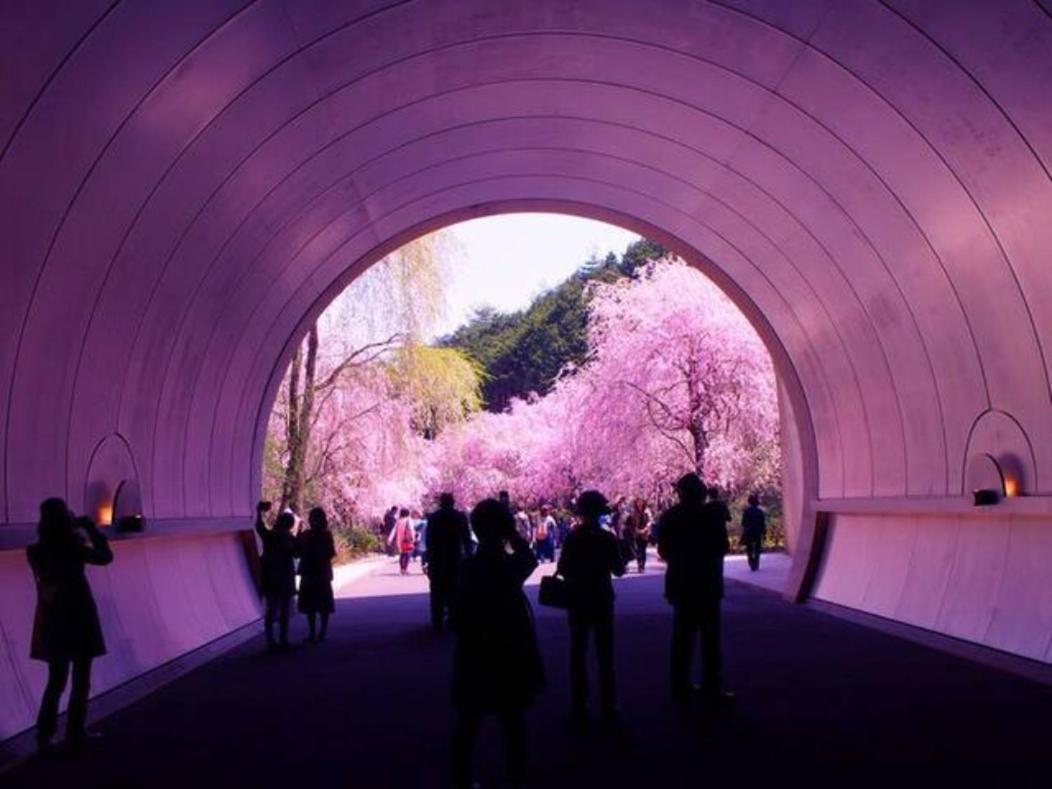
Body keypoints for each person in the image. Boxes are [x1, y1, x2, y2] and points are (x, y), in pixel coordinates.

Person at [451, 498, 544, 789]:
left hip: (476, 648)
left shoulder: (468, 568)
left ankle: (463, 778)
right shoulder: (509, 566)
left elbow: (458, 613)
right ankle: (515, 779)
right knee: (513, 720)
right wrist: (511, 533)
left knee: (470, 719)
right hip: (510, 644)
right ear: (504, 527)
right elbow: (529, 557)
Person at [27, 498, 113, 750]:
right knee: (81, 678)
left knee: (56, 681)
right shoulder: (74, 546)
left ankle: (45, 735)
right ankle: (75, 731)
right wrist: (89, 528)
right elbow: (105, 557)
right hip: (79, 616)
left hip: (52, 619)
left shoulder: (35, 551)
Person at [657, 474, 732, 703]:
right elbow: (722, 547)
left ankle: (679, 686)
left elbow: (663, 551)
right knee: (711, 638)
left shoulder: (670, 516)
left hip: (681, 582)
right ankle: (713, 687)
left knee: (682, 637)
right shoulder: (712, 515)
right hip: (708, 582)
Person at [556, 490, 626, 720]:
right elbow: (618, 569)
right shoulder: (607, 538)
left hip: (577, 598)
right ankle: (609, 703)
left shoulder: (573, 538)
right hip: (602, 597)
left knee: (578, 651)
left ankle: (579, 703)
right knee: (605, 652)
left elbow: (563, 569)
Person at [424, 493, 471, 632]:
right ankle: (453, 618)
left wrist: (427, 558)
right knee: (455, 588)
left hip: (437, 557)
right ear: (453, 502)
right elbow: (466, 538)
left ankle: (437, 620)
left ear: (441, 502)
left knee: (437, 589)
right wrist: (469, 554)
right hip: (455, 556)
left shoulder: (433, 518)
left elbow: (429, 540)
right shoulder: (459, 517)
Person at [256, 501, 298, 651]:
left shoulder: (271, 536)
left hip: (271, 576)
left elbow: (260, 528)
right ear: (290, 525)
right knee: (284, 609)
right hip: (285, 577)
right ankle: (283, 639)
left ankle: (270, 640)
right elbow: (297, 552)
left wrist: (259, 513)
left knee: (272, 608)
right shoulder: (290, 538)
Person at [296, 507, 336, 643]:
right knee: (323, 604)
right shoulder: (326, 534)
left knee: (310, 605)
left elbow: (297, 550)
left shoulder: (306, 535)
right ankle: (322, 632)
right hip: (322, 573)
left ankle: (312, 633)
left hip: (309, 573)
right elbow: (331, 553)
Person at [625, 497, 653, 573]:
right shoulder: (633, 512)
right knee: (638, 550)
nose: (639, 504)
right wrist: (636, 530)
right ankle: (639, 565)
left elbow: (650, 521)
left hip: (644, 533)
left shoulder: (647, 511)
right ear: (636, 503)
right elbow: (630, 523)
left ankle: (642, 566)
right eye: (638, 502)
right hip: (636, 533)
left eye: (641, 502)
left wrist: (645, 529)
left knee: (643, 550)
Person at [741, 494, 767, 571]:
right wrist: (764, 533)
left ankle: (751, 560)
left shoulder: (746, 511)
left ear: (749, 502)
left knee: (749, 547)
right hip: (758, 531)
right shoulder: (760, 512)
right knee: (757, 548)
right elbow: (762, 523)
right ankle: (756, 562)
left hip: (749, 531)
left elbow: (743, 523)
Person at [387, 508, 415, 575]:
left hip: (399, 540)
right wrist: (413, 538)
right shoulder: (409, 520)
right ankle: (405, 569)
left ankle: (401, 569)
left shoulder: (398, 521)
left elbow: (393, 530)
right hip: (407, 539)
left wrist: (389, 539)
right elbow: (411, 529)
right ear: (408, 513)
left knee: (402, 554)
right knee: (408, 554)